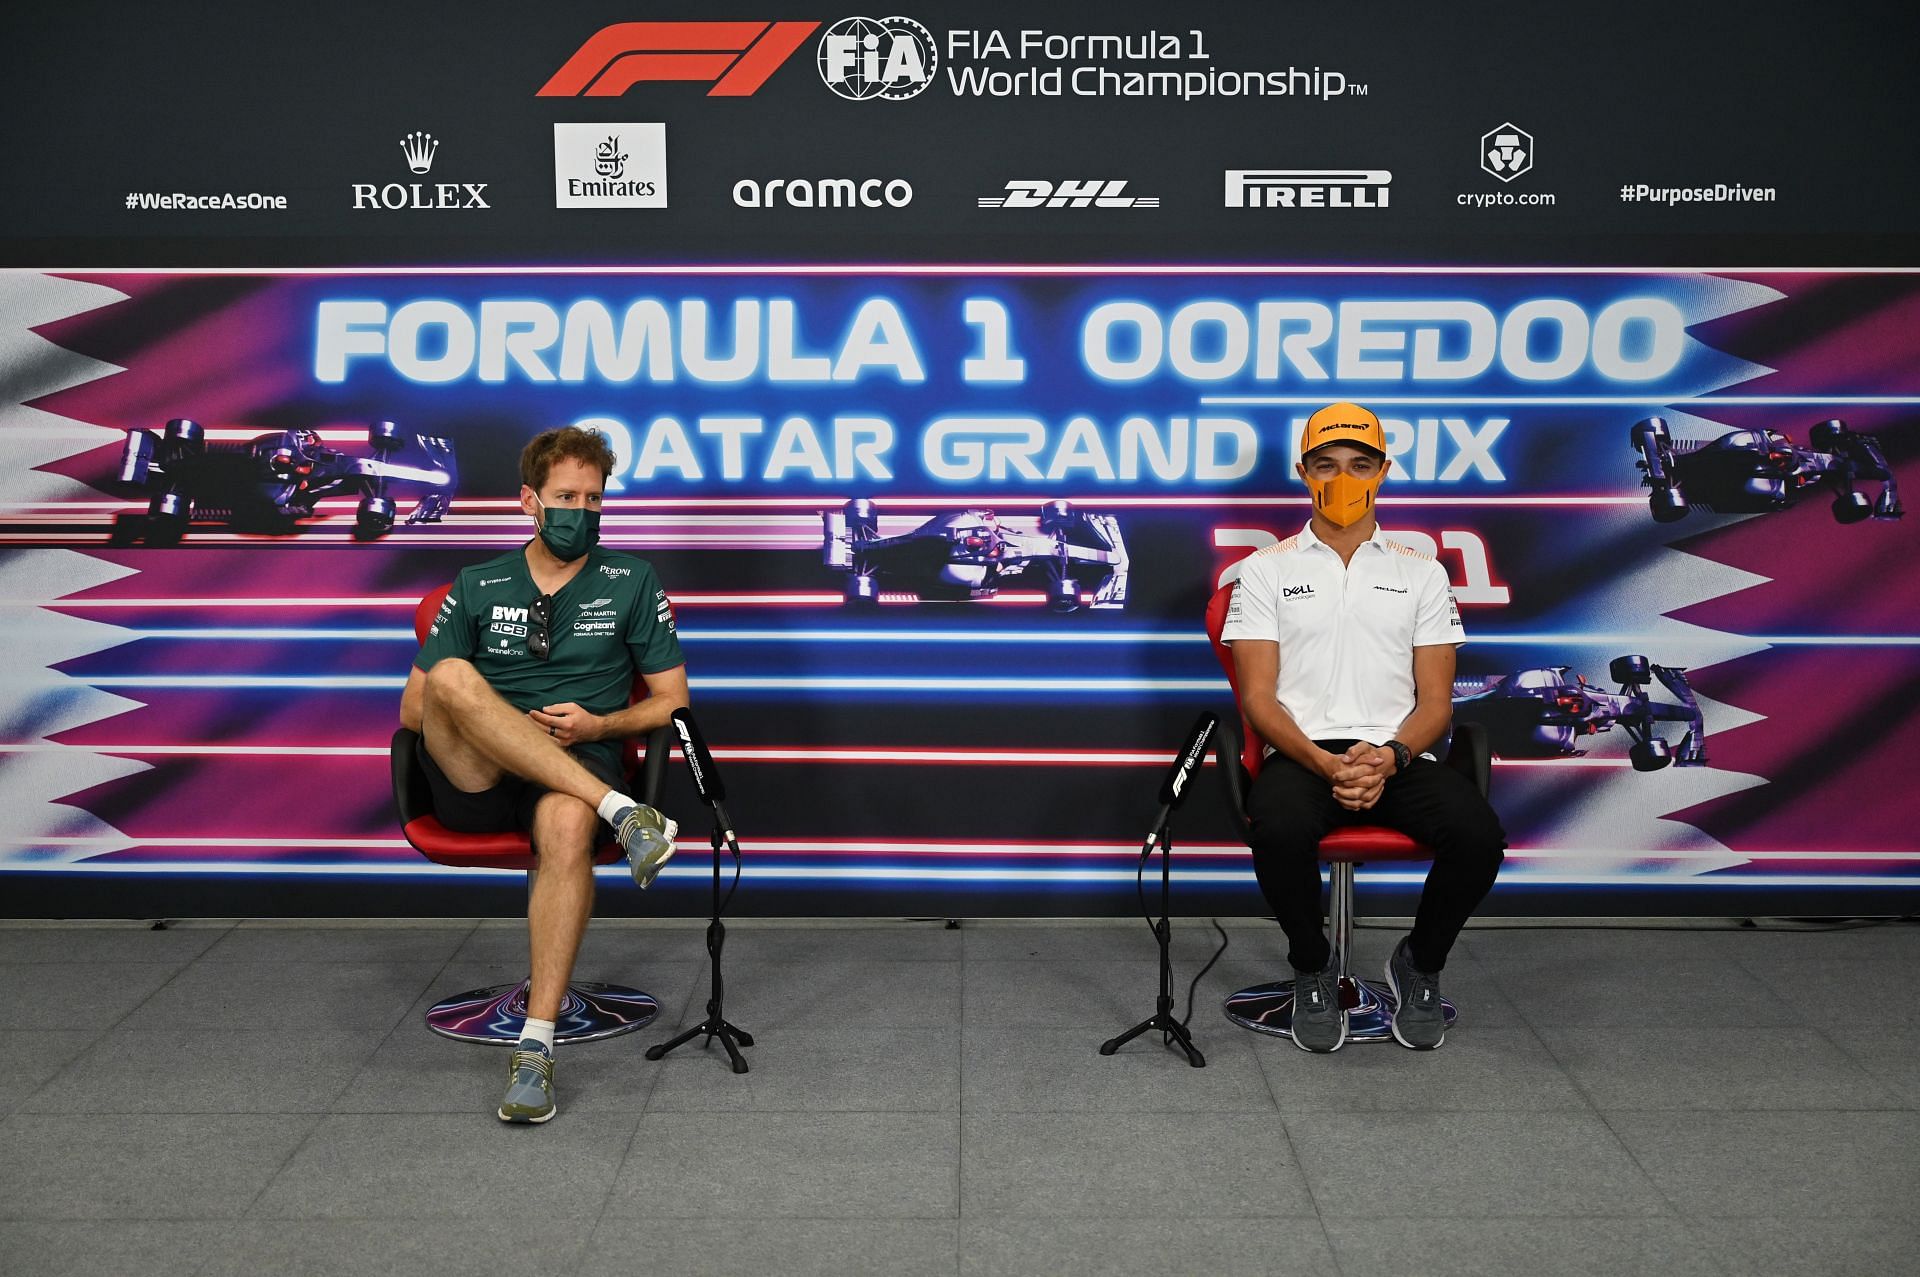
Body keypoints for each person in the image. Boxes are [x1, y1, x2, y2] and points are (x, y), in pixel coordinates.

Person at [399, 426, 688, 1122]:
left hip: (575, 762)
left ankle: (536, 1045)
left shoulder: (631, 579)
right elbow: (416, 704)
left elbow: (672, 699)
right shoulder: (476, 585)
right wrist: (504, 722)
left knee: (565, 820)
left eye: (593, 498)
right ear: (529, 499)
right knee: (452, 675)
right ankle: (623, 810)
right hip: (475, 775)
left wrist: (597, 727)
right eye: (565, 496)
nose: (580, 511)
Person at [1220, 402, 1507, 1053]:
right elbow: (1260, 698)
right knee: (1281, 824)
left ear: (1382, 470)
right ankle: (1312, 964)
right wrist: (1327, 766)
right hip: (1302, 750)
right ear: (1304, 472)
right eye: (1326, 464)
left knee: (1479, 834)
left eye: (1358, 463)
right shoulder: (1266, 569)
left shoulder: (1421, 571)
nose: (1343, 478)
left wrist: (1389, 756)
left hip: (1396, 752)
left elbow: (1436, 703)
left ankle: (1419, 963)